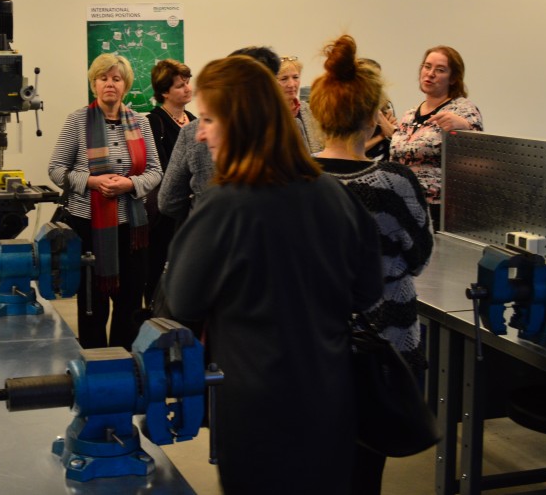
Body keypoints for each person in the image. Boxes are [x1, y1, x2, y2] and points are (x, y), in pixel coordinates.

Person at [163, 54, 382, 495]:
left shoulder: (224, 205)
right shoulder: (333, 194)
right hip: (331, 395)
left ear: (241, 122)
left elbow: (182, 300)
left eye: (209, 119)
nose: (200, 132)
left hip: (256, 403)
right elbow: (368, 290)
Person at [309, 35, 434, 495]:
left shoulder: (292, 177)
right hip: (384, 346)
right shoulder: (395, 183)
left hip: (309, 346)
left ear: (320, 116)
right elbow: (419, 257)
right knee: (365, 472)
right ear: (371, 117)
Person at [48, 53, 162, 350]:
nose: (109, 84)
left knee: (129, 303)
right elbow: (56, 169)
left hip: (132, 230)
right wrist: (91, 181)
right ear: (94, 84)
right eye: (103, 78)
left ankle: (124, 361)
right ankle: (94, 362)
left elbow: (155, 171)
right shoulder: (77, 120)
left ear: (126, 85)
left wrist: (130, 184)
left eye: (116, 79)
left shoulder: (141, 122)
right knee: (92, 304)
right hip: (88, 226)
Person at [157, 46, 280, 223]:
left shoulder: (191, 129)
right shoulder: (290, 131)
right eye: (180, 85)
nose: (202, 135)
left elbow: (169, 201)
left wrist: (199, 212)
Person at [390, 45, 484, 227]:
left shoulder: (463, 110)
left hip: (437, 209)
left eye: (440, 70)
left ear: (453, 78)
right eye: (427, 67)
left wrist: (465, 127)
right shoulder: (410, 114)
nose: (430, 74)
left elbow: (477, 148)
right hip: (401, 202)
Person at [143, 58, 193, 306]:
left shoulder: (193, 120)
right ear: (164, 92)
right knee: (157, 270)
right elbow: (162, 168)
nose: (187, 89)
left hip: (189, 211)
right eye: (180, 85)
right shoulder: (154, 122)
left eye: (188, 82)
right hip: (164, 213)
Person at [277, 54, 323, 153]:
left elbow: (322, 147)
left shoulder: (311, 111)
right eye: (284, 79)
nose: (292, 84)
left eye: (295, 77)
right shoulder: (267, 115)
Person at [360, 58, 397, 161]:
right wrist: (381, 136)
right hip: (360, 162)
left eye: (378, 78)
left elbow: (393, 136)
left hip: (384, 160)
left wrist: (390, 131)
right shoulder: (351, 107)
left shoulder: (386, 104)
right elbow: (351, 149)